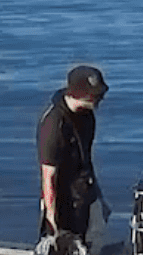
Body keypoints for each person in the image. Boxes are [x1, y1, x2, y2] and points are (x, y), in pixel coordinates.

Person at [37, 63, 108, 243]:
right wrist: (51, 221)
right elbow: (48, 177)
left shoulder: (87, 117)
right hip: (62, 200)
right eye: (96, 96)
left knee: (85, 247)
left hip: (82, 192)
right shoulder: (53, 126)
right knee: (61, 253)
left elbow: (86, 157)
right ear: (81, 95)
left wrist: (98, 197)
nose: (100, 100)